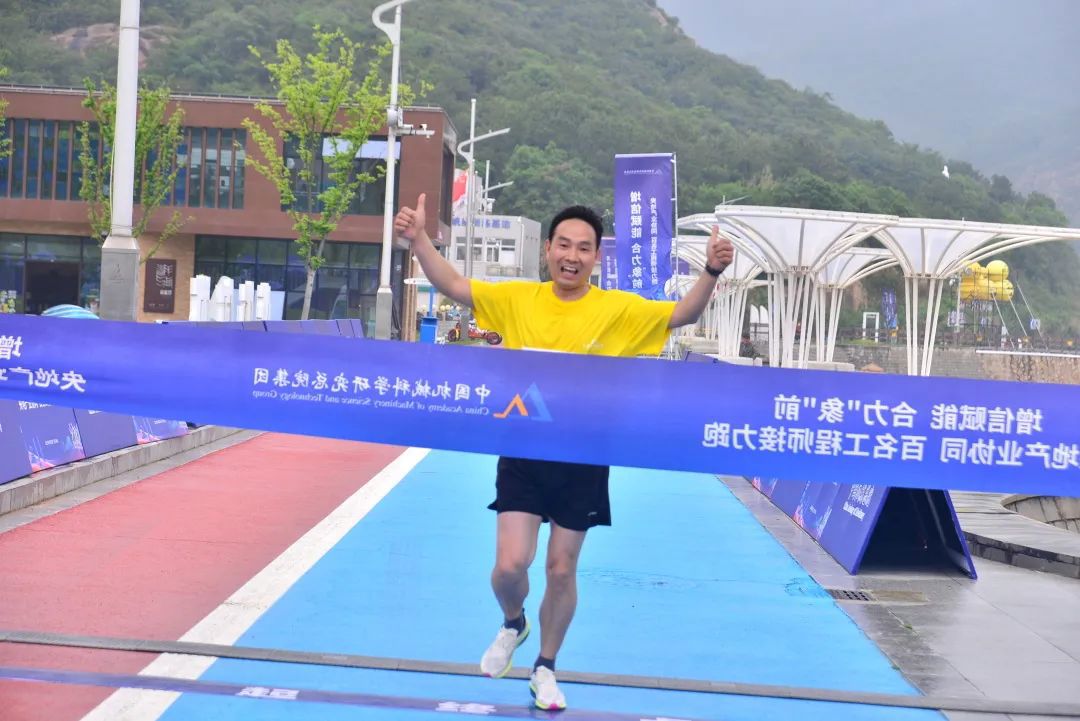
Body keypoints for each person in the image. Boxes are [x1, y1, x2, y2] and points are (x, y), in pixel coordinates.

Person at [393, 194, 734, 711]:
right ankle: (514, 623)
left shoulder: (619, 310)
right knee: (510, 566)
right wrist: (419, 240)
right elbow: (455, 286)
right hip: (524, 451)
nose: (572, 256)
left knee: (559, 569)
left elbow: (683, 314)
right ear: (548, 249)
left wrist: (710, 270)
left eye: (584, 248)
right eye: (564, 245)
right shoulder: (518, 299)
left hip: (583, 457)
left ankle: (546, 668)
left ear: (596, 257)